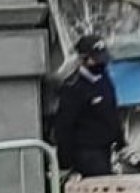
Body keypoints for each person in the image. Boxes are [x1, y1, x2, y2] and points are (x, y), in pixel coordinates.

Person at [53, 34, 127, 177]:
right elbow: (64, 127)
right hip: (86, 153)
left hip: (106, 149)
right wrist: (65, 163)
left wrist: (121, 142)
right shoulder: (74, 88)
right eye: (95, 59)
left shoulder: (104, 80)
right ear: (83, 60)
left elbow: (112, 112)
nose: (101, 64)